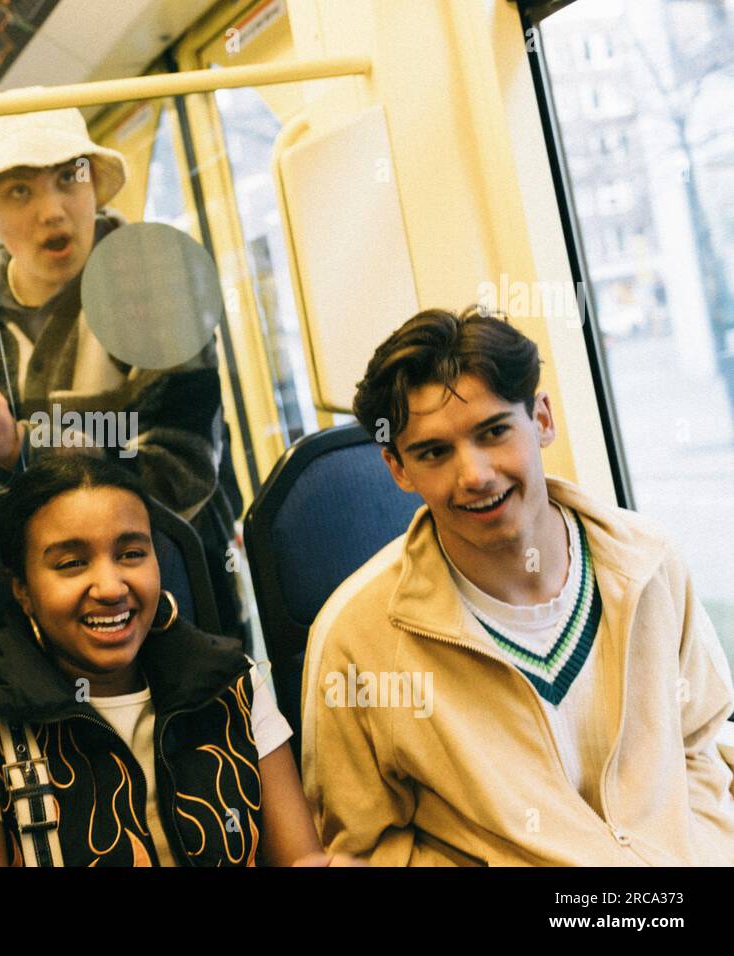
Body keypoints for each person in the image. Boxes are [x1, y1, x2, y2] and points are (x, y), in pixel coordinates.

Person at [301, 307, 734, 865]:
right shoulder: (354, 639)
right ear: (398, 469)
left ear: (543, 420)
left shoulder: (647, 564)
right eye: (435, 452)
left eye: (494, 432)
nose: (476, 474)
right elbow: (365, 844)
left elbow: (700, 747)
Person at [0, 107, 244, 638]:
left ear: (95, 186)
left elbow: (180, 468)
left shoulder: (156, 290)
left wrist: (21, 447)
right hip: (36, 611)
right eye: (20, 191)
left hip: (172, 597)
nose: (53, 212)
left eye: (69, 179)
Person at [0, 454, 336, 866]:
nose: (110, 588)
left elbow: (299, 859)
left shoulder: (234, 682)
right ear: (22, 589)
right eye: (72, 563)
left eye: (130, 554)